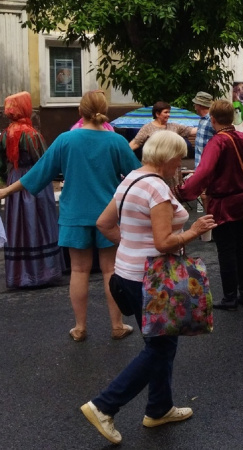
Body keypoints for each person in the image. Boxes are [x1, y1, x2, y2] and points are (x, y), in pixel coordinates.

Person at [83, 130, 217, 444]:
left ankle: (159, 408)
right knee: (159, 349)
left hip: (127, 273)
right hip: (153, 279)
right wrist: (194, 230)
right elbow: (164, 242)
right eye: (179, 157)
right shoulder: (157, 189)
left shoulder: (130, 179)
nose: (181, 163)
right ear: (168, 157)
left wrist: (129, 245)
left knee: (161, 343)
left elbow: (104, 223)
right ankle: (104, 406)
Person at [0, 90, 139, 341]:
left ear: (79, 112)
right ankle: (117, 326)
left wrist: (7, 190)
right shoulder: (116, 141)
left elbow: (38, 173)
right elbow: (138, 175)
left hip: (74, 215)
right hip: (108, 217)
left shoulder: (65, 140)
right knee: (110, 270)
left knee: (79, 270)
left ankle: (80, 327)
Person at [177, 100, 243, 311]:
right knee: (241, 249)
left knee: (226, 251)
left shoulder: (217, 142)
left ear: (213, 119)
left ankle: (229, 297)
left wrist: (183, 192)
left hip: (224, 204)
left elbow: (204, 172)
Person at [0, 92, 65, 288]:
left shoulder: (4, 134)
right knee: (38, 221)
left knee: (19, 224)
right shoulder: (31, 134)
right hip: (34, 179)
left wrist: (8, 180)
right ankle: (43, 272)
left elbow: (2, 165)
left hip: (14, 178)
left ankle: (20, 274)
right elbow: (44, 162)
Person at [128, 101, 196, 152]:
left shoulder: (174, 126)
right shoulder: (147, 128)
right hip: (154, 163)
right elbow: (135, 143)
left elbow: (192, 131)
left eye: (169, 112)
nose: (169, 115)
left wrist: (205, 125)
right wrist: (123, 153)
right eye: (166, 112)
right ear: (157, 114)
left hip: (172, 162)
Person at [192, 92, 215, 214]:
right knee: (203, 195)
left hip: (208, 167)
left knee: (207, 196)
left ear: (199, 105)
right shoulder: (202, 120)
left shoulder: (212, 120)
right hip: (201, 166)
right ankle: (209, 226)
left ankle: (212, 225)